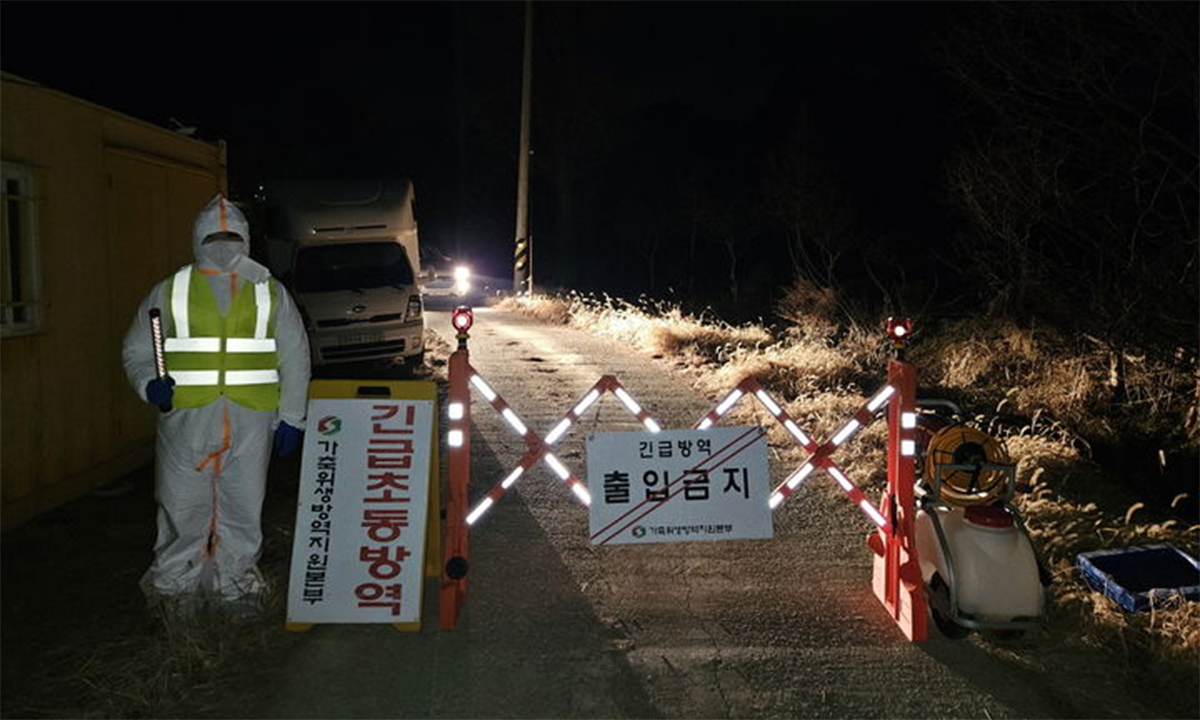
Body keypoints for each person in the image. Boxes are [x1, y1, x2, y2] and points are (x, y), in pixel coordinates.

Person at [122, 194, 311, 622]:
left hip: (252, 419)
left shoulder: (268, 290)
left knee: (242, 507)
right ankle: (173, 591)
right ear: (197, 239)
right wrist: (148, 384)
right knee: (181, 506)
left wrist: (293, 417)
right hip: (187, 419)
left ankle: (235, 587)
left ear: (244, 238)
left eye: (232, 236)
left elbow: (295, 355)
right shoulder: (170, 289)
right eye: (215, 236)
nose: (223, 244)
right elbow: (137, 348)